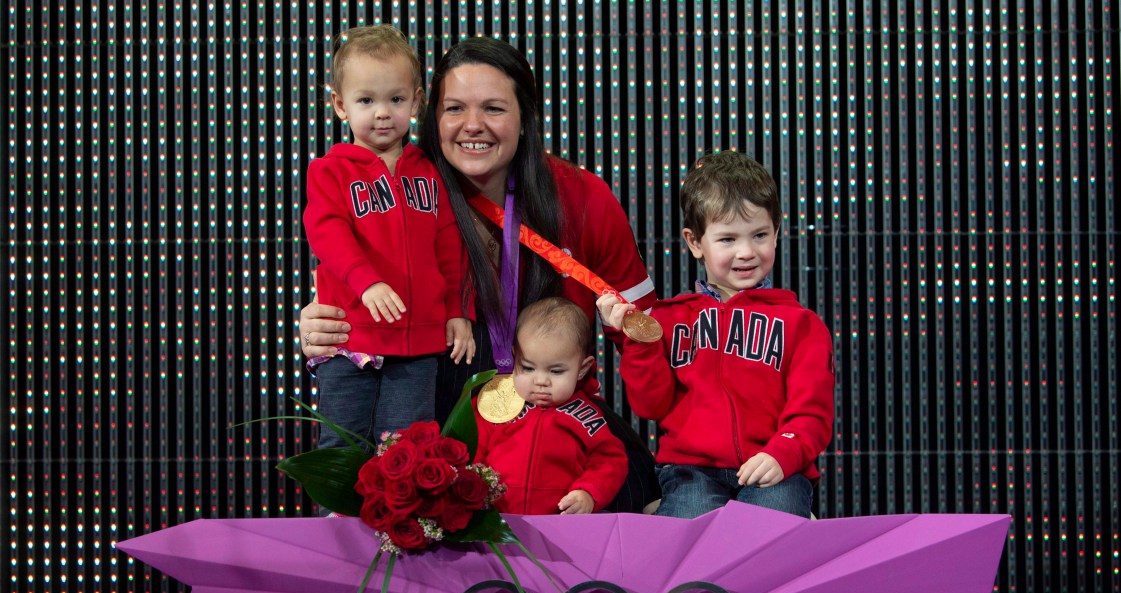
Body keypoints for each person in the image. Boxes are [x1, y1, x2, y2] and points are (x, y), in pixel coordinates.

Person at [299, 37, 659, 512]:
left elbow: (649, 337)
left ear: (525, 117)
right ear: (432, 115)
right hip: (437, 416)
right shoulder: (404, 190)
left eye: (493, 108)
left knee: (642, 497)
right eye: (454, 109)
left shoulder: (582, 197)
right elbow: (340, 260)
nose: (473, 126)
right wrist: (322, 329)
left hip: (555, 426)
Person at [598, 150, 835, 519]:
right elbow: (650, 405)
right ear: (695, 242)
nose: (746, 252)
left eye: (759, 234)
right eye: (727, 239)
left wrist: (783, 452)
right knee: (686, 546)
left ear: (777, 232)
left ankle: (794, 524)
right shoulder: (668, 320)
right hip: (692, 472)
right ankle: (668, 515)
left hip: (774, 469)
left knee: (765, 538)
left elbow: (812, 413)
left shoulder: (802, 325)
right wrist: (639, 343)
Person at [302, 25, 474, 458]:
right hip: (351, 340)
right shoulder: (330, 171)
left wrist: (457, 312)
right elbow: (327, 232)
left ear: (416, 101)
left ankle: (400, 524)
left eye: (395, 100)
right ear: (339, 105)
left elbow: (449, 248)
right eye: (366, 100)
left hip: (418, 346)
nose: (382, 113)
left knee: (408, 449)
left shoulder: (430, 172)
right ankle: (338, 525)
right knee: (342, 446)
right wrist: (366, 281)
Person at [474, 298, 627, 515]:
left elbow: (610, 460)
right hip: (494, 521)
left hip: (559, 523)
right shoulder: (495, 403)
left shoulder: (586, 416)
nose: (540, 381)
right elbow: (469, 451)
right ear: (514, 356)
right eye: (527, 368)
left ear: (582, 369)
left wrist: (588, 493)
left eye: (555, 371)